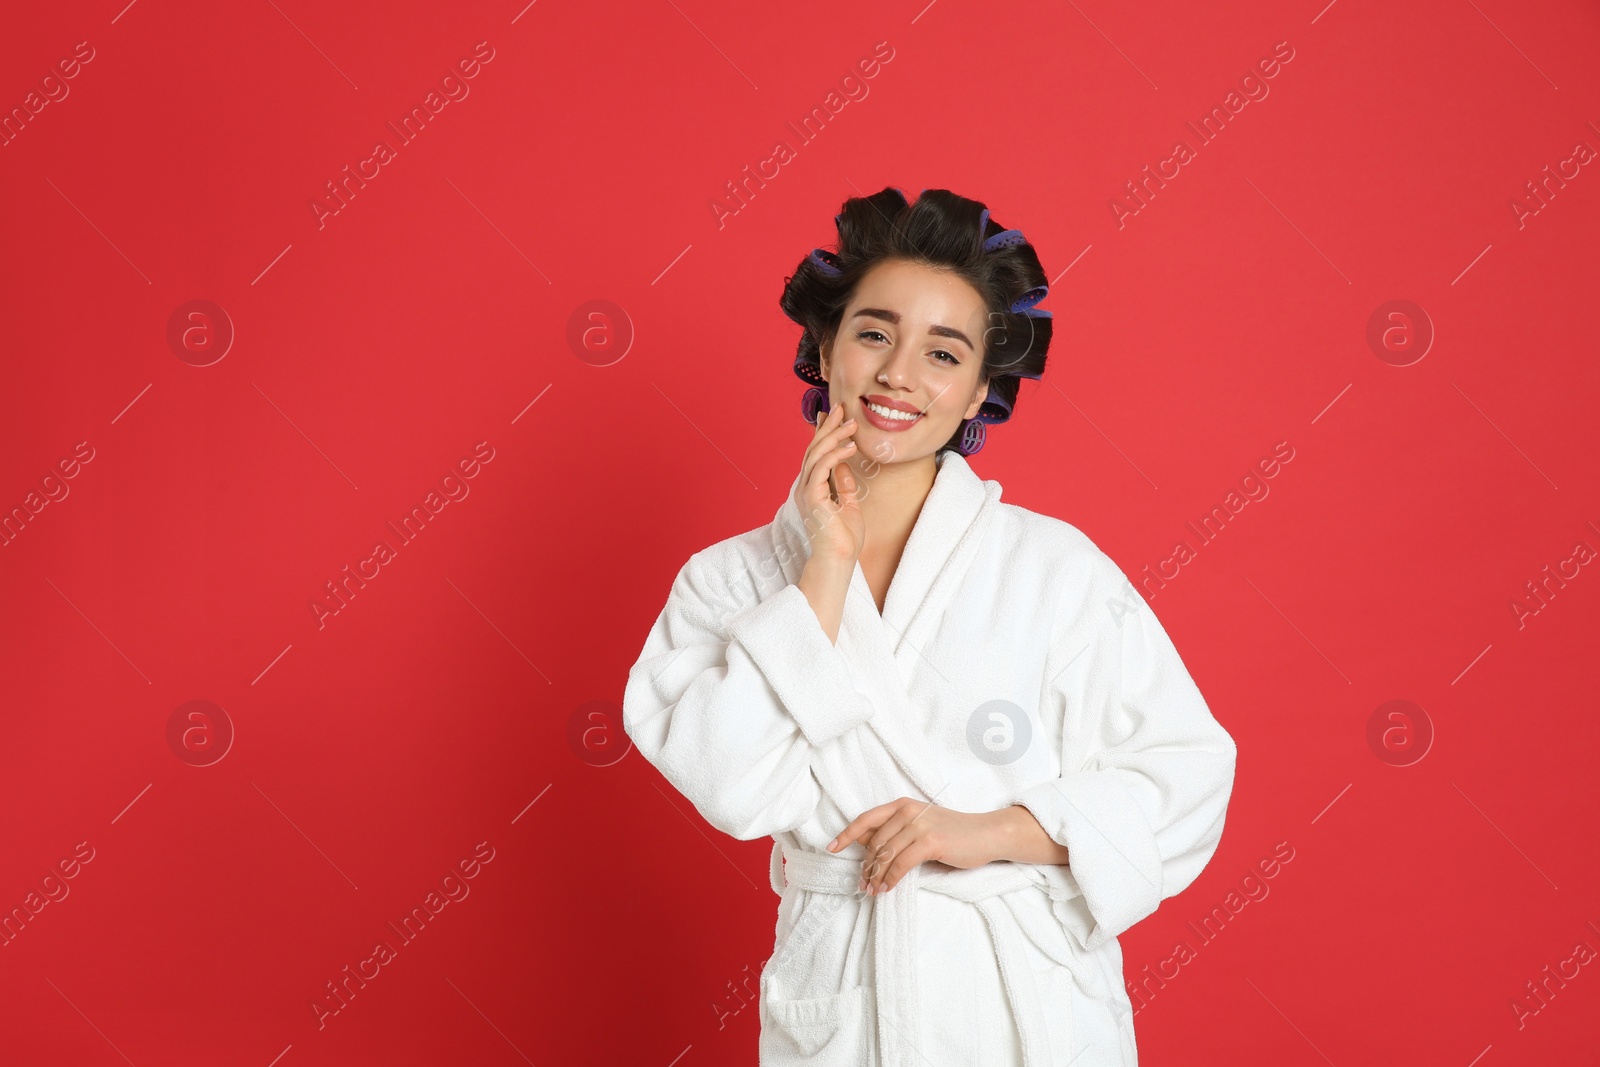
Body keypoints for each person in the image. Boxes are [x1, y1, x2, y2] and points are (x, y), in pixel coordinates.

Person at [622, 187, 1237, 1066]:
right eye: (875, 333)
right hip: (849, 1004)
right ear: (826, 347)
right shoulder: (728, 581)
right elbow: (730, 786)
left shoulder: (1054, 569)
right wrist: (822, 574)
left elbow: (1188, 775)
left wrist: (983, 830)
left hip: (1028, 1006)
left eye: (942, 352)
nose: (899, 374)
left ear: (981, 388)